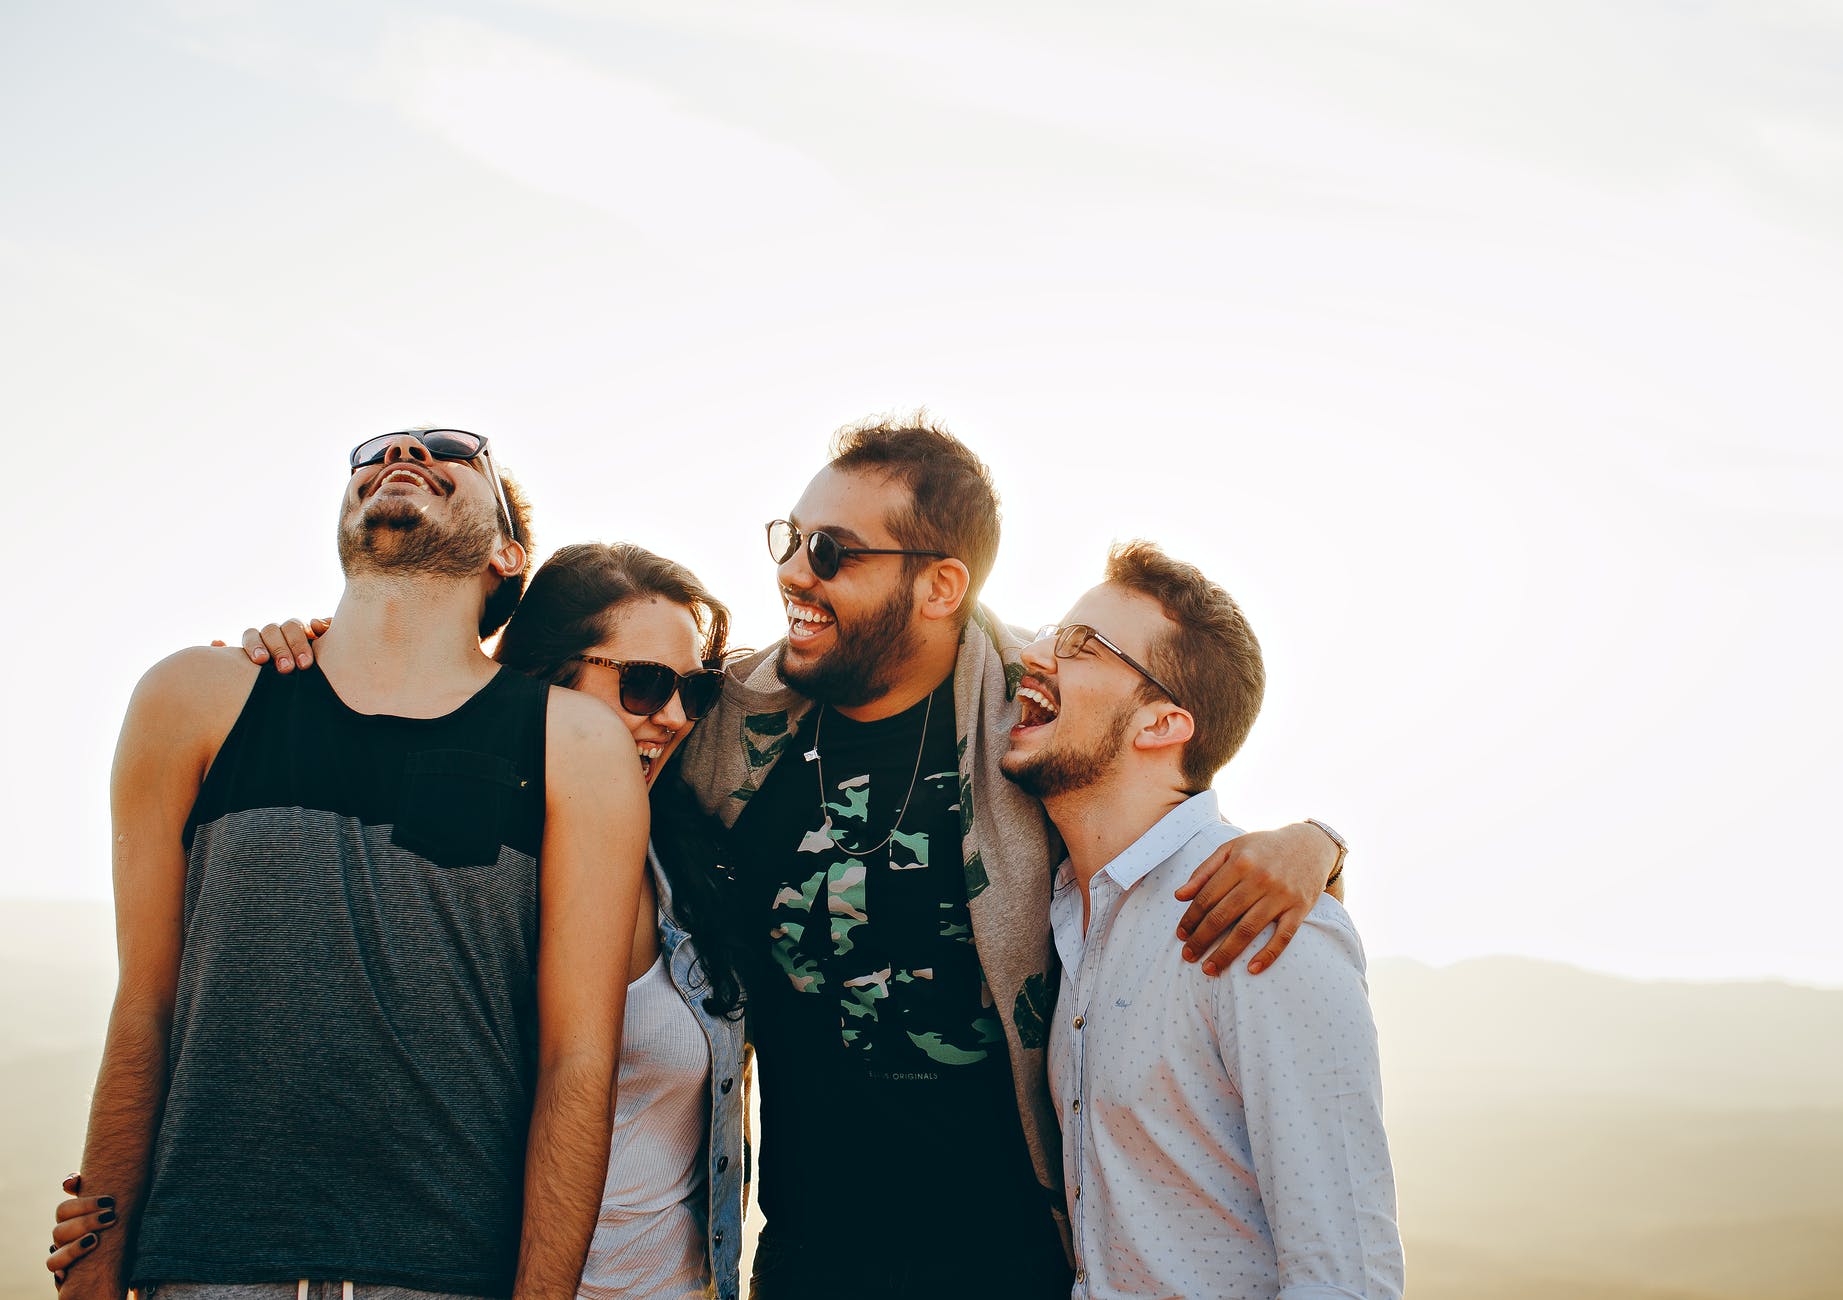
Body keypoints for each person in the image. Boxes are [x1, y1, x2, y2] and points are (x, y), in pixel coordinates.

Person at [675, 416, 1352, 1298]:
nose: (795, 571)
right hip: (804, 1258)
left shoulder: (1029, 712)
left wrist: (1315, 843)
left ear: (940, 584)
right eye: (792, 539)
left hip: (1017, 1263)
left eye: (834, 550)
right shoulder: (727, 719)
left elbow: (1161, 795)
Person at [54, 540, 752, 1300]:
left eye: (698, 689)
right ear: (542, 682)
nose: (677, 715)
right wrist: (111, 1223)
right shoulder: (454, 874)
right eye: (645, 685)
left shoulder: (692, 869)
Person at [1003, 541, 1402, 1297]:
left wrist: (1322, 844)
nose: (1033, 654)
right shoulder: (1070, 916)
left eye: (1082, 646)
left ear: (1160, 725)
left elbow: (1345, 1275)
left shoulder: (1264, 921)